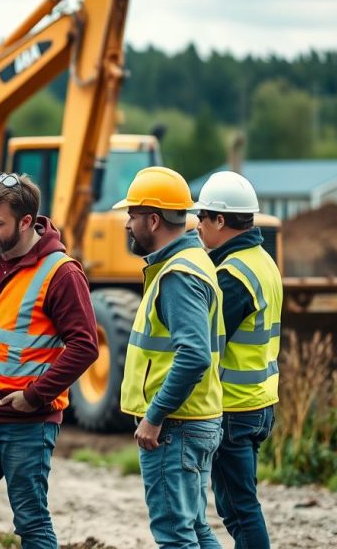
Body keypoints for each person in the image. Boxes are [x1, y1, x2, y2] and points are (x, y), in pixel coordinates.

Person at [0, 172, 100, 549]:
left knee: (31, 522)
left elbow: (85, 346)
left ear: (26, 222)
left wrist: (34, 395)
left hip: (27, 423)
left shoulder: (60, 272)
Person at [112, 166, 225, 549]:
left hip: (175, 426)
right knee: (194, 530)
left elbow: (193, 356)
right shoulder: (191, 262)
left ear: (154, 219)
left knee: (175, 536)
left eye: (132, 215)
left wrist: (154, 416)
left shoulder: (178, 275)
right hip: (193, 419)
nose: (127, 224)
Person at [194, 171, 281, 549]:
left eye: (203, 216)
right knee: (242, 504)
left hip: (233, 407)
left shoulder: (232, 274)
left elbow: (207, 343)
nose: (197, 224)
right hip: (260, 403)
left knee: (239, 509)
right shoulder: (263, 261)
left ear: (220, 220)